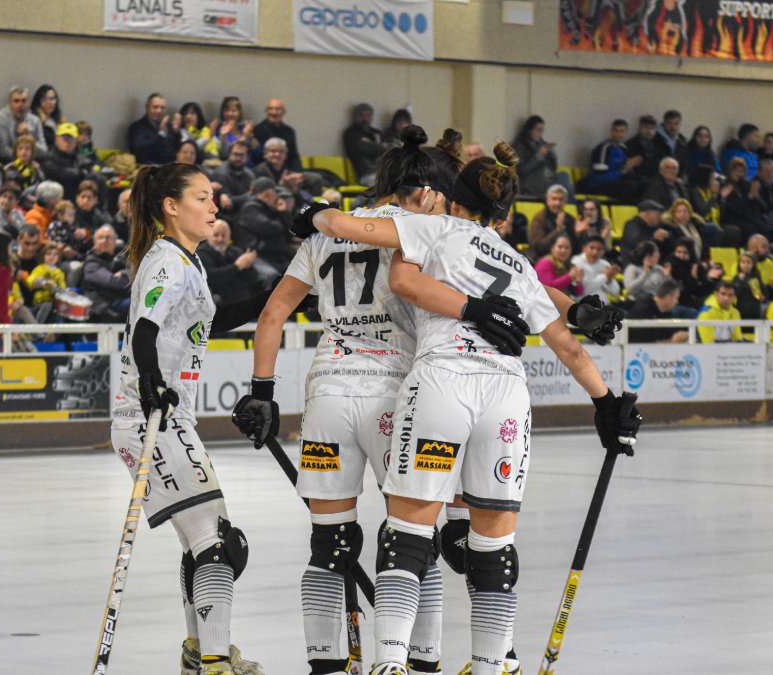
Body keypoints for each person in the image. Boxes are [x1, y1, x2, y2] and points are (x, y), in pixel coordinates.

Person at [289, 143, 640, 675]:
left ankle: (391, 662)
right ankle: (494, 663)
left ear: (450, 199)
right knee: (492, 545)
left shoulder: (434, 230)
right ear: (505, 214)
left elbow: (363, 237)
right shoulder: (519, 263)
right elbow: (568, 346)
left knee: (409, 535)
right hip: (506, 395)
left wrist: (313, 215)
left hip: (442, 383)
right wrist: (607, 404)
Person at [235, 128, 524, 675]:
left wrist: (262, 393)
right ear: (423, 190)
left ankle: (329, 665)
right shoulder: (424, 227)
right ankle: (419, 663)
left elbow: (271, 315)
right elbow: (495, 273)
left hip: (329, 397)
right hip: (396, 396)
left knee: (330, 542)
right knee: (416, 538)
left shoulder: (325, 237)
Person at [110, 163, 269, 674]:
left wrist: (274, 304)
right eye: (202, 197)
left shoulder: (189, 262)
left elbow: (210, 320)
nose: (215, 207)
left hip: (168, 416)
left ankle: (200, 653)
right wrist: (151, 379)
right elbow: (145, 328)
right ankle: (215, 661)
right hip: (149, 416)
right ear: (171, 207)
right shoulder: (166, 263)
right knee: (220, 543)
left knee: (206, 543)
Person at [235, 177, 293, 274]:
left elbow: (289, 233)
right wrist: (281, 214)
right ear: (267, 194)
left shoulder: (269, 209)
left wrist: (284, 213)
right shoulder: (250, 208)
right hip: (256, 255)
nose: (277, 197)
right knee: (272, 275)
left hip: (274, 255)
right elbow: (271, 229)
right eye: (275, 193)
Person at [196, 220, 262, 304]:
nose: (220, 239)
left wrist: (248, 264)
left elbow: (253, 277)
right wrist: (237, 266)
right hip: (215, 297)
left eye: (224, 235)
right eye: (216, 235)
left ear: (229, 237)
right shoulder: (201, 252)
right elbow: (212, 276)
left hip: (240, 295)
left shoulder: (235, 251)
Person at [580, 118, 644, 202]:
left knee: (644, 183)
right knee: (629, 187)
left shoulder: (624, 149)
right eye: (616, 131)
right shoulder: (603, 149)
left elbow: (627, 173)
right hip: (597, 186)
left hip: (618, 183)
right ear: (611, 132)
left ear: (626, 133)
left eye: (622, 131)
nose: (619, 134)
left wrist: (631, 167)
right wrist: (622, 172)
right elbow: (597, 178)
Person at [512, 115, 572, 198]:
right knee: (564, 188)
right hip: (533, 183)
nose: (540, 133)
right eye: (538, 129)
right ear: (529, 129)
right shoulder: (520, 146)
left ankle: (570, 206)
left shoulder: (541, 144)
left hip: (548, 180)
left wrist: (552, 156)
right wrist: (539, 155)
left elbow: (553, 168)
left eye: (542, 130)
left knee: (564, 176)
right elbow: (522, 170)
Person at [80, 225, 131, 323]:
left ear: (115, 240)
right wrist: (131, 280)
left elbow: (138, 275)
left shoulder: (122, 258)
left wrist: (124, 273)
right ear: (95, 242)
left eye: (108, 237)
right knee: (140, 304)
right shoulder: (91, 263)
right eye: (101, 238)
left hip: (122, 301)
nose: (104, 240)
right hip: (105, 307)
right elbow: (112, 282)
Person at [254, 137, 323, 199]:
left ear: (285, 155)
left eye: (281, 151)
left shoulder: (289, 166)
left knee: (316, 178)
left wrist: (302, 177)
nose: (277, 154)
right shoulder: (259, 170)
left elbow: (311, 179)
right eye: (273, 151)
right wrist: (282, 185)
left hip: (291, 197)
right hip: (272, 203)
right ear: (265, 154)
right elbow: (262, 194)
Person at [0, 86, 47, 163]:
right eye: (16, 101)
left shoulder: (35, 121)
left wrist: (28, 136)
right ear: (9, 103)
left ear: (29, 103)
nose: (20, 105)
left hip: (32, 164)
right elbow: (3, 151)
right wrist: (24, 159)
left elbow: (43, 151)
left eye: (24, 101)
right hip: (7, 164)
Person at [626, 279, 688, 343]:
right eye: (676, 298)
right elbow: (645, 343)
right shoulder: (643, 310)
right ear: (668, 297)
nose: (677, 302)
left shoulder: (666, 312)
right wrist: (672, 341)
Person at [126, 93, 180, 166]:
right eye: (155, 107)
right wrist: (161, 134)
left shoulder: (169, 126)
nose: (159, 111)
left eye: (162, 108)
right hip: (149, 168)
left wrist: (177, 133)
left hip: (171, 166)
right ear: (147, 107)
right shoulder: (137, 127)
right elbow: (140, 152)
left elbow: (176, 150)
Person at [527, 184, 576, 260]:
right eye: (554, 199)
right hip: (542, 259)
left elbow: (576, 249)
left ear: (566, 201)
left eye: (561, 199)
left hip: (567, 260)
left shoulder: (570, 219)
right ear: (547, 200)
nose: (557, 203)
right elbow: (538, 247)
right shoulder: (539, 219)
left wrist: (579, 234)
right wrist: (557, 231)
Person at [342, 103, 387, 186]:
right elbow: (371, 147)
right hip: (366, 175)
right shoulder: (351, 133)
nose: (365, 119)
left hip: (383, 172)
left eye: (368, 115)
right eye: (361, 115)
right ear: (355, 117)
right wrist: (382, 147)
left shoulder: (377, 133)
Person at [252, 99, 303, 171]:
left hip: (288, 170)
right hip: (266, 172)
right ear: (266, 112)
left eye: (278, 109)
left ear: (284, 112)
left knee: (316, 178)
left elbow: (294, 156)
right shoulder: (258, 130)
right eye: (270, 109)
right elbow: (258, 157)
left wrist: (298, 173)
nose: (274, 112)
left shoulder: (289, 131)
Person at [571, 235, 620, 302]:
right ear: (584, 249)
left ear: (603, 252)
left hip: (602, 305)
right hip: (581, 303)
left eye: (599, 249)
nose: (595, 252)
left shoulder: (604, 264)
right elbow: (584, 291)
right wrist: (605, 276)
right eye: (592, 248)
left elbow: (615, 292)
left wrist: (610, 280)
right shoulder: (576, 262)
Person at [620, 199, 670, 264]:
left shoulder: (655, 227)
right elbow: (636, 243)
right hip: (635, 266)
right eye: (658, 214)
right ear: (647, 214)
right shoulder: (631, 226)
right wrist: (654, 238)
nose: (660, 217)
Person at [26, 243, 67, 320]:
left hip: (55, 302)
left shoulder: (59, 272)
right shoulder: (39, 269)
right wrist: (44, 282)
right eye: (48, 254)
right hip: (41, 301)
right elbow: (31, 280)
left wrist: (65, 292)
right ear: (43, 256)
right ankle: (37, 328)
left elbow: (62, 287)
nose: (52, 257)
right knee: (47, 305)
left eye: (55, 255)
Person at [212, 96, 258, 162]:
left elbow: (258, 152)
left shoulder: (243, 127)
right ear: (223, 112)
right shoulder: (218, 129)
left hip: (249, 168)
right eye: (227, 110)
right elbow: (224, 154)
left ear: (239, 113)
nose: (230, 113)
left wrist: (250, 134)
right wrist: (244, 136)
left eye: (234, 111)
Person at [30, 85, 66, 151]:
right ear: (38, 102)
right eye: (44, 99)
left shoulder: (60, 120)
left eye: (52, 99)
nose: (49, 103)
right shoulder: (34, 120)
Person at [732, 252, 768, 319]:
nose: (745, 265)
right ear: (739, 264)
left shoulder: (756, 278)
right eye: (743, 262)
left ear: (753, 264)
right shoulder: (735, 278)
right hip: (739, 310)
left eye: (748, 262)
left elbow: (762, 296)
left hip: (753, 311)